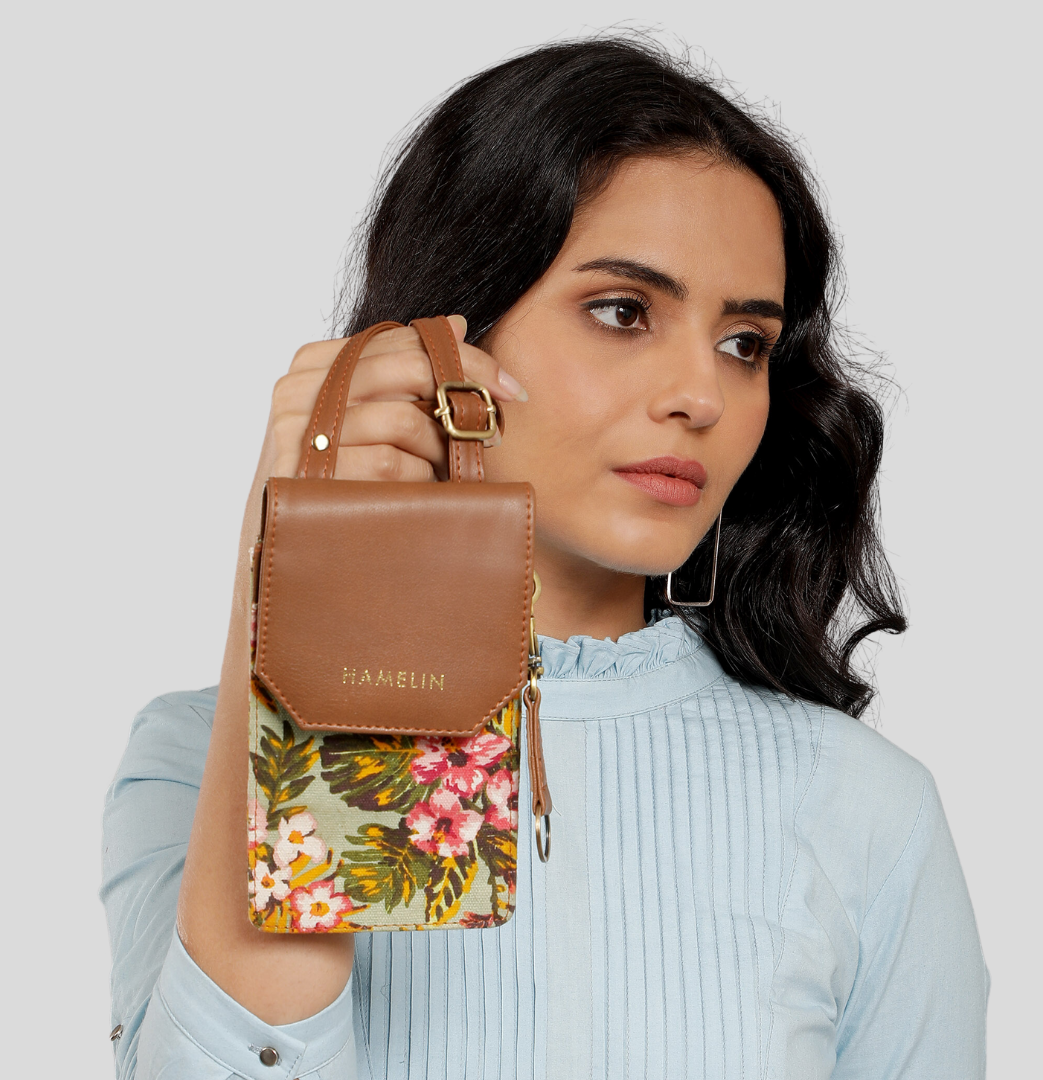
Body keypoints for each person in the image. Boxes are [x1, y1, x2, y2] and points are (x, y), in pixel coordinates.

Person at [101, 37, 988, 1079]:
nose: (700, 395)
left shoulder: (863, 805)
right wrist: (292, 589)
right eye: (623, 312)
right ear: (448, 335)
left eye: (744, 343)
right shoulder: (190, 755)